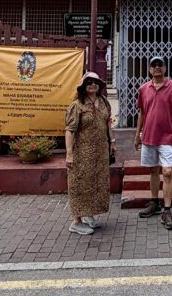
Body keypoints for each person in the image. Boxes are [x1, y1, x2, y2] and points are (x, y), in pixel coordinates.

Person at [133, 55, 172, 230]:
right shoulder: (143, 88)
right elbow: (141, 113)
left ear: (165, 68)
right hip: (149, 136)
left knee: (167, 172)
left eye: (160, 64)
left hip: (167, 137)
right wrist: (137, 134)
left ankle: (167, 210)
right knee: (153, 170)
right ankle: (155, 203)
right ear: (150, 69)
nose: (157, 67)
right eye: (154, 65)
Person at [65, 71, 114, 235]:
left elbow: (108, 123)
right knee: (79, 184)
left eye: (95, 82)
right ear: (83, 86)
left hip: (100, 152)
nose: (93, 85)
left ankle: (88, 215)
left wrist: (112, 142)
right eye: (89, 82)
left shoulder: (104, 102)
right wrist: (69, 154)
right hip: (82, 152)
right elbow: (70, 130)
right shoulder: (77, 105)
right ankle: (76, 221)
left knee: (95, 183)